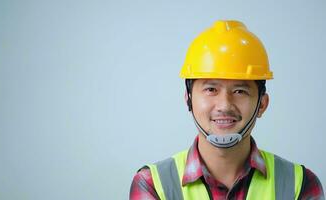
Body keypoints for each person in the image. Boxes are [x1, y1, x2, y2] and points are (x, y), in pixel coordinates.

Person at [129, 20, 324, 200]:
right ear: (188, 99)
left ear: (262, 104)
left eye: (240, 91)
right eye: (211, 89)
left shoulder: (300, 184)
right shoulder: (153, 184)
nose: (224, 105)